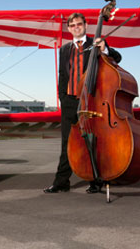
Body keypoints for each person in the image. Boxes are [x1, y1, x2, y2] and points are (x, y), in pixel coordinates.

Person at [43, 12, 122, 194]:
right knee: (67, 143)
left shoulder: (96, 43)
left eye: (79, 24)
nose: (76, 27)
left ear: (85, 25)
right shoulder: (65, 49)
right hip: (70, 101)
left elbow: (117, 58)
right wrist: (63, 97)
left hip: (91, 100)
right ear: (69, 28)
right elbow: (63, 76)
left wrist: (104, 49)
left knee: (92, 141)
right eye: (72, 25)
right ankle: (62, 181)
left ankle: (96, 180)